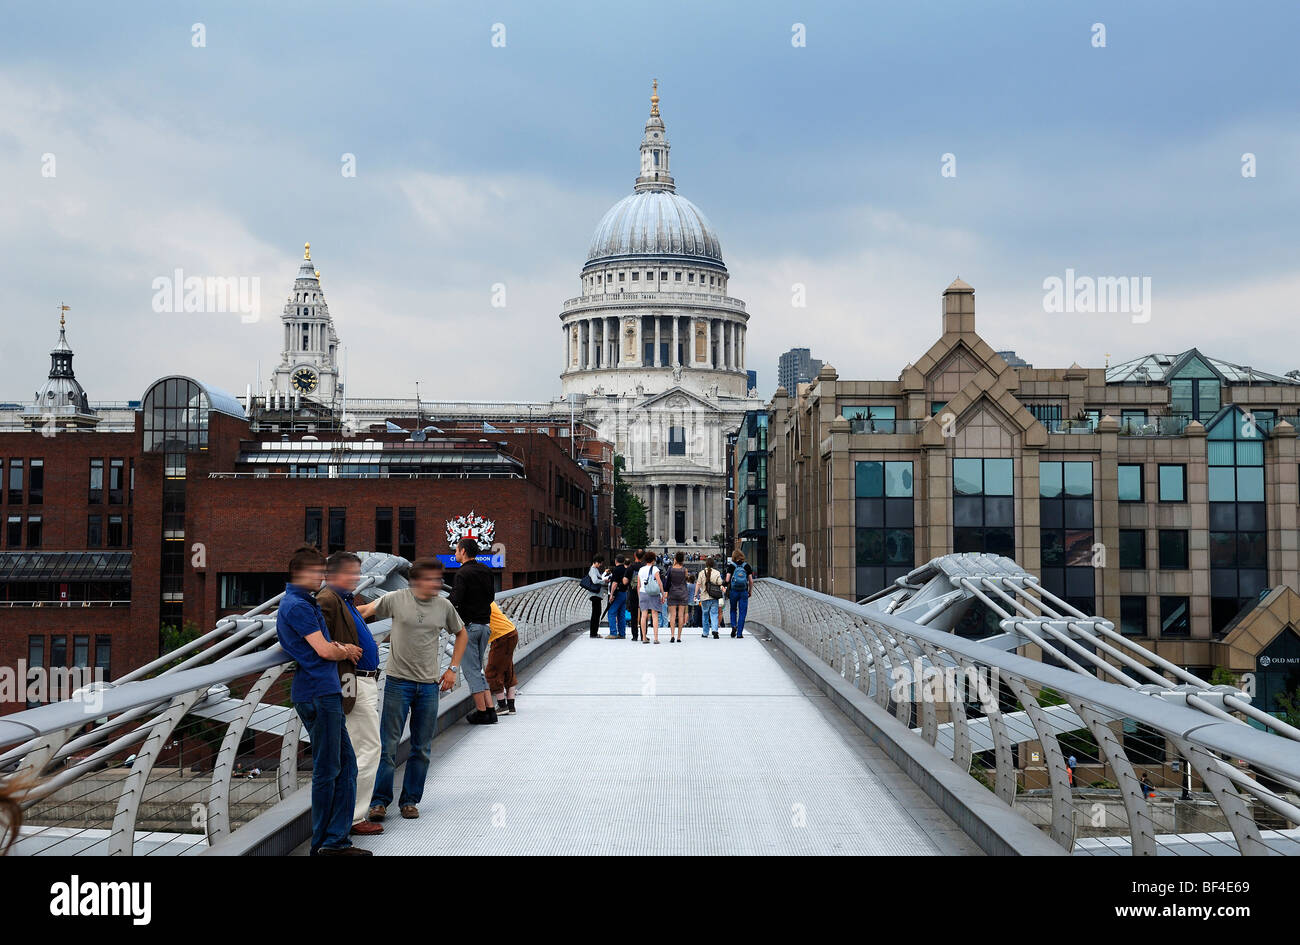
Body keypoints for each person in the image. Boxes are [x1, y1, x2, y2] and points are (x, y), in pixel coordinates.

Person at [274, 545, 369, 855]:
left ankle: (335, 841)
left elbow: (324, 644)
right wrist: (345, 651)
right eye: (317, 573)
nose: (321, 578)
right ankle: (324, 845)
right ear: (301, 574)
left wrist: (336, 647)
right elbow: (325, 650)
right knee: (329, 770)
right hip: (318, 692)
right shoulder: (297, 606)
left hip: (323, 691)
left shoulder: (304, 602)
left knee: (346, 766)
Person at [358, 557, 466, 820]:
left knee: (421, 747)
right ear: (416, 580)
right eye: (432, 579)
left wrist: (452, 669)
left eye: (439, 579)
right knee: (388, 746)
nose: (438, 584)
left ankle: (410, 801)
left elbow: (461, 633)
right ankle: (379, 802)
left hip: (429, 686)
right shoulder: (396, 598)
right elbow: (363, 612)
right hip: (398, 683)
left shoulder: (444, 606)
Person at [317, 551, 384, 836]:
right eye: (351, 573)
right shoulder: (326, 600)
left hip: (363, 680)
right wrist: (343, 648)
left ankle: (353, 813)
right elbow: (315, 638)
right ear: (332, 575)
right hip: (352, 682)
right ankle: (355, 817)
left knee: (363, 747)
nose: (357, 579)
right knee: (367, 747)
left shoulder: (345, 599)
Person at [449, 537, 498, 724]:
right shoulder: (486, 570)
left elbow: (455, 599)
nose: (455, 553)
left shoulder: (462, 573)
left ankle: (482, 712)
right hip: (485, 626)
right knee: (479, 670)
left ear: (463, 551)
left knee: (471, 672)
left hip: (469, 628)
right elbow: (491, 596)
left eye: (456, 550)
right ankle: (490, 709)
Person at [486, 601, 519, 715]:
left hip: (501, 636)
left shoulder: (477, 600)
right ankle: (511, 706)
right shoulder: (488, 598)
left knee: (492, 671)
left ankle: (502, 706)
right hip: (511, 632)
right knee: (507, 668)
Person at [637, 552, 664, 644]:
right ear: (653, 560)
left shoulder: (641, 569)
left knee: (643, 615)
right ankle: (656, 638)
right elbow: (659, 582)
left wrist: (639, 595)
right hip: (653, 593)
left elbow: (638, 585)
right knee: (655, 615)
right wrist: (663, 594)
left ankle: (644, 637)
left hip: (643, 593)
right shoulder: (655, 569)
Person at [725, 550, 753, 638]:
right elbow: (751, 581)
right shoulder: (747, 566)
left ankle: (733, 625)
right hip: (743, 591)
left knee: (733, 610)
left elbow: (727, 579)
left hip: (734, 591)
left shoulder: (732, 566)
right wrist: (750, 591)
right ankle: (739, 633)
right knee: (742, 612)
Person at [695, 556, 724, 639]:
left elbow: (698, 584)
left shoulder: (701, 573)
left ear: (706, 564)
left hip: (704, 597)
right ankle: (715, 630)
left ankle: (705, 632)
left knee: (705, 615)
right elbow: (720, 583)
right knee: (714, 614)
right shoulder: (717, 573)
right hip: (714, 597)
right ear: (713, 564)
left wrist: (695, 595)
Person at [665, 552, 691, 643]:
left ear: (675, 559)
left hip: (672, 593)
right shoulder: (685, 570)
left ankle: (672, 635)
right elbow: (686, 580)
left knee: (672, 615)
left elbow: (667, 582)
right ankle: (679, 637)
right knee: (681, 615)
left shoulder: (670, 569)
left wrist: (666, 592)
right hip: (682, 593)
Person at [585, 554, 608, 637]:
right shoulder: (593, 570)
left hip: (596, 595)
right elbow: (595, 581)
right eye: (600, 563)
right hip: (595, 595)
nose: (601, 565)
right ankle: (593, 633)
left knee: (596, 613)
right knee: (596, 614)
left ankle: (594, 633)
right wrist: (604, 581)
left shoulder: (595, 569)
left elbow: (598, 578)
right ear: (597, 562)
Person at [607, 554, 629, 639]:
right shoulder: (626, 569)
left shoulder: (616, 570)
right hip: (624, 593)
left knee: (611, 613)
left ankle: (613, 633)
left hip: (617, 593)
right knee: (621, 614)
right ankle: (622, 634)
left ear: (616, 561)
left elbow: (615, 583)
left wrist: (611, 594)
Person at [627, 550, 643, 641]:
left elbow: (625, 581)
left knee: (634, 615)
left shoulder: (631, 567)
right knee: (643, 614)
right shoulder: (645, 567)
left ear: (634, 555)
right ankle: (643, 635)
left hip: (633, 593)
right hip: (643, 593)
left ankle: (635, 636)